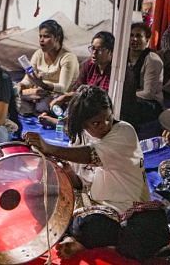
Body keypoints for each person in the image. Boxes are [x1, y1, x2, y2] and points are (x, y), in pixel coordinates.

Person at [25, 85, 150, 257]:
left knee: (90, 226)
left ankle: (73, 234)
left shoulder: (124, 132)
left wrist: (49, 147)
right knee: (34, 193)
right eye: (96, 123)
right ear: (83, 123)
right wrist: (67, 171)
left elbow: (91, 155)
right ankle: (74, 235)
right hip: (89, 201)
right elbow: (79, 183)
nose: (105, 125)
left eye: (108, 118)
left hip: (122, 209)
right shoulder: (80, 136)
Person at [42, 31, 115, 127]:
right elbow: (77, 90)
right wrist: (63, 98)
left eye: (99, 49)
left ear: (111, 51)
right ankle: (58, 119)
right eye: (92, 48)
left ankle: (63, 123)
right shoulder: (89, 65)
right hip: (85, 106)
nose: (94, 52)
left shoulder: (116, 71)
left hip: (102, 112)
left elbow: (103, 100)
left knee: (86, 104)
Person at [17, 20, 78, 115]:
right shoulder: (38, 54)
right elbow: (28, 79)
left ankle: (38, 111)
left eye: (46, 36)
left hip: (57, 97)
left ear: (57, 38)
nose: (41, 40)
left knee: (45, 104)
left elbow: (63, 88)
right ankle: (33, 109)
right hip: (38, 93)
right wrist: (20, 85)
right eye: (40, 36)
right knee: (12, 94)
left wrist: (43, 85)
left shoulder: (68, 57)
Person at [120, 23, 164, 127]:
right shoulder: (122, 57)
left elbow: (148, 93)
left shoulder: (153, 60)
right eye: (131, 35)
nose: (134, 39)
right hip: (127, 98)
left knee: (124, 107)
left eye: (138, 36)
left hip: (150, 103)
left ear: (147, 40)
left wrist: (124, 96)